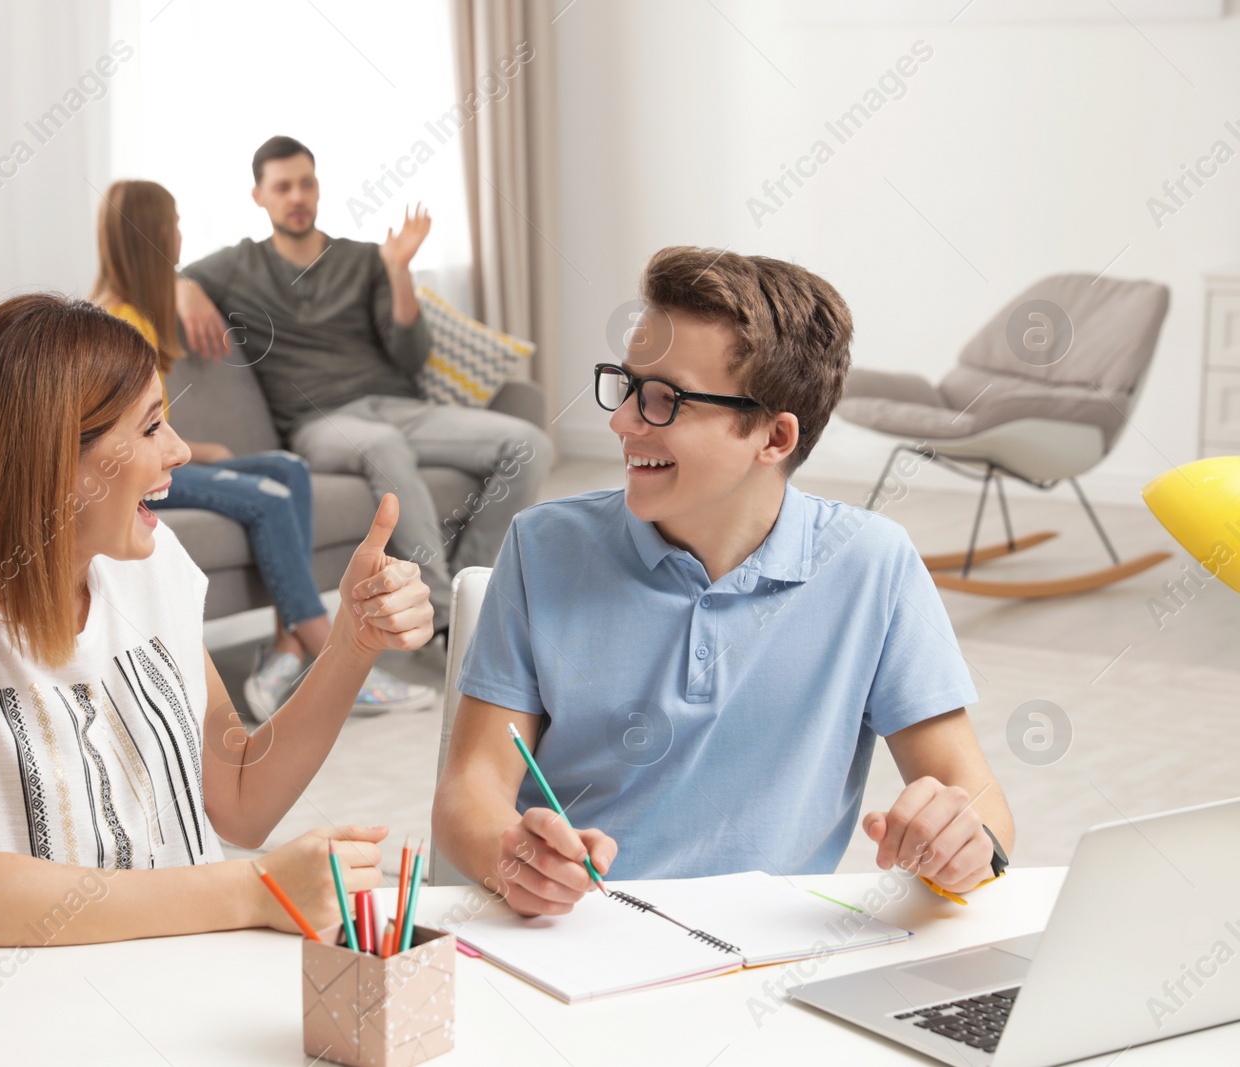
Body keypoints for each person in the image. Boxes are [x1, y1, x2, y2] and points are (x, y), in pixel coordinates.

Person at [0, 294, 432, 1066]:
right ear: (53, 461)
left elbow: (239, 795)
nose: (179, 450)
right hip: (44, 1036)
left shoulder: (150, 570)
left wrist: (350, 641)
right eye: (150, 427)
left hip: (201, 1003)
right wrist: (252, 890)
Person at [431, 247, 1016, 917]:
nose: (621, 422)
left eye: (663, 400)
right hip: (577, 936)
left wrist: (964, 840)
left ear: (774, 436)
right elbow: (470, 787)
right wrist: (512, 854)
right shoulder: (543, 547)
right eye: (626, 388)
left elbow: (978, 798)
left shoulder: (872, 564)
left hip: (764, 957)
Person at [176, 135, 553, 632]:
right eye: (282, 187)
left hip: (398, 405)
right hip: (319, 422)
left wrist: (398, 272)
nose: (296, 197)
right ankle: (444, 618)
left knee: (529, 444)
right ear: (259, 197)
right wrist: (184, 289)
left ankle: (467, 588)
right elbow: (163, 270)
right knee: (385, 446)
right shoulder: (236, 265)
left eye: (305, 184)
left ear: (318, 189)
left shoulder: (363, 259)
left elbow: (411, 355)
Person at [90, 179, 433, 716]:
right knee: (268, 496)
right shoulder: (118, 321)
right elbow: (121, 443)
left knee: (288, 468)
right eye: (174, 222)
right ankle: (326, 652)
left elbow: (147, 427)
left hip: (160, 461)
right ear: (155, 232)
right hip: (137, 478)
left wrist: (202, 451)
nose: (181, 233)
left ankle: (285, 648)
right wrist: (187, 456)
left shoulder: (141, 310)